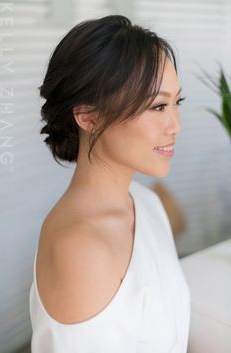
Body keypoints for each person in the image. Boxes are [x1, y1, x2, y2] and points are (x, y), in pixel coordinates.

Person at [29, 15, 190, 353]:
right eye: (158, 106)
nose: (175, 125)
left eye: (177, 103)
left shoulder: (146, 203)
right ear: (88, 116)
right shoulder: (80, 249)